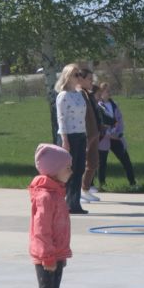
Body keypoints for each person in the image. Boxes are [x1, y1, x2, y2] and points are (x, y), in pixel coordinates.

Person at [24, 143, 74, 288]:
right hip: (46, 254)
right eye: (68, 168)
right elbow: (41, 230)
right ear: (55, 171)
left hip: (57, 252)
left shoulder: (56, 192)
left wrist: (59, 252)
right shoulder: (45, 196)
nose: (71, 172)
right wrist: (47, 256)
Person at [54, 64, 90, 215]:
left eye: (79, 75)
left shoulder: (79, 94)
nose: (79, 78)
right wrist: (64, 140)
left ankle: (75, 203)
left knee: (80, 169)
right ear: (68, 77)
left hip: (81, 135)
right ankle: (66, 203)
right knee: (69, 170)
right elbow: (61, 119)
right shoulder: (63, 96)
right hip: (69, 136)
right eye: (76, 75)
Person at [95, 79, 137, 190]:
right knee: (102, 163)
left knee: (125, 160)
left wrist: (118, 133)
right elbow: (99, 123)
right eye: (106, 91)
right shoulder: (98, 106)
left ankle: (133, 183)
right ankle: (102, 184)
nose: (108, 93)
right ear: (101, 92)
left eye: (109, 91)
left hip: (116, 138)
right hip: (104, 138)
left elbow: (120, 120)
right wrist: (108, 133)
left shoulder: (114, 105)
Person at [80, 67, 104, 202]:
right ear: (81, 79)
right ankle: (79, 191)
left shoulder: (88, 93)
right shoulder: (80, 94)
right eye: (89, 79)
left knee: (93, 162)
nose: (91, 81)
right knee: (83, 163)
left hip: (94, 132)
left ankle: (86, 188)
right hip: (86, 133)